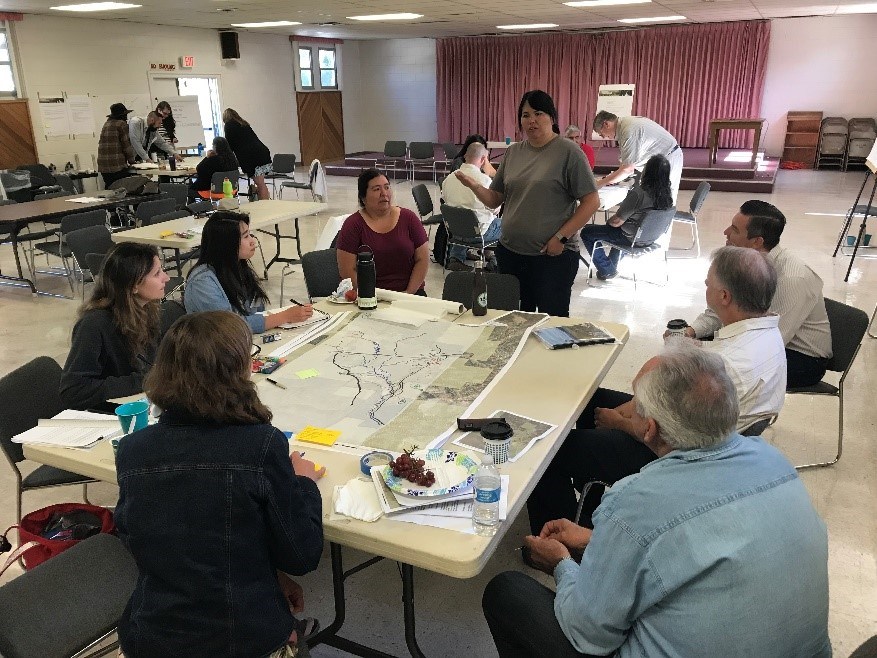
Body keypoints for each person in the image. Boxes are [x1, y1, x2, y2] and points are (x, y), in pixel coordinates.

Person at [485, 344, 831, 658]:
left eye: (634, 410)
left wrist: (561, 563)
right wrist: (599, 540)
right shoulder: (776, 462)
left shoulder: (634, 501)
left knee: (507, 592)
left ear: (649, 429)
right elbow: (696, 543)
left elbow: (587, 632)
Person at [527, 245, 787, 534]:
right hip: (707, 434)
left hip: (684, 458)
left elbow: (654, 434)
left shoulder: (728, 365)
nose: (705, 287)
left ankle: (556, 539)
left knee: (547, 453)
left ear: (724, 296)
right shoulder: (766, 332)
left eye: (708, 283)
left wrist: (621, 422)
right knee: (591, 398)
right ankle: (591, 489)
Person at [114, 310, 325, 658]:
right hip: (241, 641)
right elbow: (302, 554)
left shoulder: (134, 450)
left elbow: (182, 543)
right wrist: (302, 482)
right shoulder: (261, 446)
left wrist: (269, 577)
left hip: (152, 638)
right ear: (239, 372)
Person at [456, 90, 600, 317]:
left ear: (551, 117)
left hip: (552, 258)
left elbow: (591, 202)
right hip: (511, 253)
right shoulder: (514, 152)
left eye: (538, 113)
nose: (531, 120)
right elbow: (496, 198)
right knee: (514, 320)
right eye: (525, 115)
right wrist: (474, 186)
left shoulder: (569, 152)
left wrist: (561, 237)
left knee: (548, 324)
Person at [670, 200, 832, 388]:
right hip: (757, 337)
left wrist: (705, 350)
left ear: (757, 242)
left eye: (734, 229)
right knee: (685, 353)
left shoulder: (793, 278)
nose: (725, 232)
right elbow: (718, 311)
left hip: (800, 357)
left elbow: (769, 343)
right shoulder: (739, 262)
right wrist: (690, 332)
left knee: (705, 371)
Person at [60, 242, 169, 412]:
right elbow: (74, 391)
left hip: (144, 402)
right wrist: (145, 379)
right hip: (113, 416)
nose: (166, 278)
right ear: (134, 284)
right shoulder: (94, 325)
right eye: (157, 274)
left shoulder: (146, 308)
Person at [185, 211, 313, 332]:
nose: (252, 241)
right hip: (215, 350)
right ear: (227, 243)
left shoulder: (237, 266)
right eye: (245, 236)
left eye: (250, 234)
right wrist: (284, 316)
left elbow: (256, 309)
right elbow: (229, 327)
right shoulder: (202, 282)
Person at [580, 154, 674, 280]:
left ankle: (607, 270)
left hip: (630, 237)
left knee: (587, 232)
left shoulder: (639, 193)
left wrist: (608, 223)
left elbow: (617, 221)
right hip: (650, 237)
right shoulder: (668, 194)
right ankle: (610, 268)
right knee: (622, 231)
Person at [336, 168, 429, 295]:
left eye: (387, 187)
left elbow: (422, 259)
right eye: (376, 189)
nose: (384, 193)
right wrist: (372, 296)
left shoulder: (409, 218)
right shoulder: (353, 225)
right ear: (363, 197)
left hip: (411, 294)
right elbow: (347, 271)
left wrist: (408, 293)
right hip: (369, 297)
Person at [593, 110, 683, 203]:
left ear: (606, 124)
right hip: (657, 162)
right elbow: (625, 163)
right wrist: (610, 179)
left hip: (667, 160)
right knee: (650, 199)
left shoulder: (628, 130)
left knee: (663, 200)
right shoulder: (624, 126)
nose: (604, 137)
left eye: (601, 133)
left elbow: (627, 169)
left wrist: (601, 183)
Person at [440, 141, 502, 271]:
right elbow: (495, 209)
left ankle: (456, 257)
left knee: (462, 212)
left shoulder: (448, 179)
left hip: (455, 232)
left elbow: (445, 201)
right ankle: (495, 262)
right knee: (507, 225)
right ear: (484, 159)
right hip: (479, 235)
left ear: (465, 156)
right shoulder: (485, 180)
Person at [223, 108, 272, 200]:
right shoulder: (244, 124)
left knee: (260, 184)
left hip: (253, 157)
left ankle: (265, 205)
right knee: (261, 182)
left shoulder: (229, 125)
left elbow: (230, 145)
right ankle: (262, 200)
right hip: (263, 152)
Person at [96, 102, 136, 187]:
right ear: (122, 115)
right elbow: (126, 146)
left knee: (111, 188)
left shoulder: (106, 124)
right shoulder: (121, 124)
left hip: (103, 167)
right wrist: (133, 162)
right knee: (124, 188)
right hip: (116, 166)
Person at [189, 136, 240, 202]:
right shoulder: (233, 159)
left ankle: (192, 209)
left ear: (215, 147)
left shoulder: (213, 160)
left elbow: (199, 169)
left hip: (209, 191)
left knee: (188, 190)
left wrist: (207, 157)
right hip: (230, 190)